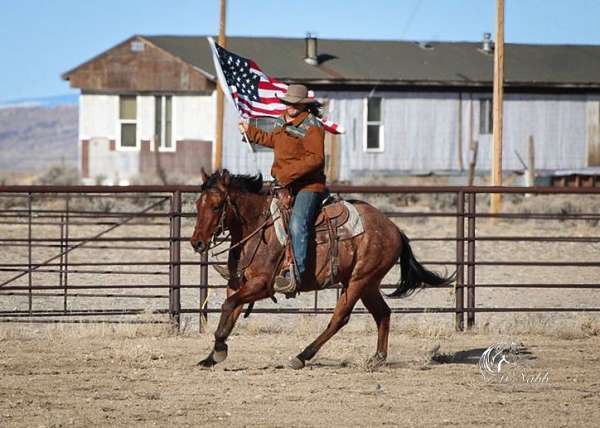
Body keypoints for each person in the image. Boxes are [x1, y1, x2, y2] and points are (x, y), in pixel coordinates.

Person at [239, 84, 326, 293]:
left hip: (307, 186)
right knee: (259, 217)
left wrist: (287, 175)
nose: (290, 106)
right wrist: (250, 132)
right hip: (283, 184)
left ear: (304, 105)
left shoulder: (312, 126)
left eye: (295, 103)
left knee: (297, 225)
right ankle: (251, 265)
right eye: (288, 102)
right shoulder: (281, 120)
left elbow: (316, 159)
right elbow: (273, 141)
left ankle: (296, 273)